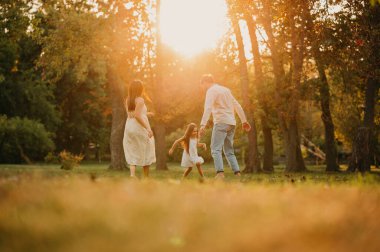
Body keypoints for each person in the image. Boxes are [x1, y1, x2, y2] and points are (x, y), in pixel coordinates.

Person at [199, 74, 251, 179]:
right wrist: (244, 120)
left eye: (202, 85)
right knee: (229, 151)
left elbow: (208, 108)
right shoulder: (226, 90)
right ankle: (237, 173)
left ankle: (220, 173)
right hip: (231, 123)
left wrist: (202, 124)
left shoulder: (211, 91)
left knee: (215, 149)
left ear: (205, 82)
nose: (202, 88)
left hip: (221, 122)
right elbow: (237, 105)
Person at [123, 80, 156, 178]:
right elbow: (137, 116)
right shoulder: (140, 100)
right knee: (146, 149)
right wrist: (148, 129)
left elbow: (131, 114)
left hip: (129, 127)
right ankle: (146, 178)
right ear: (140, 89)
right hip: (139, 127)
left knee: (133, 149)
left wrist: (147, 114)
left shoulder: (128, 100)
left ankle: (132, 175)